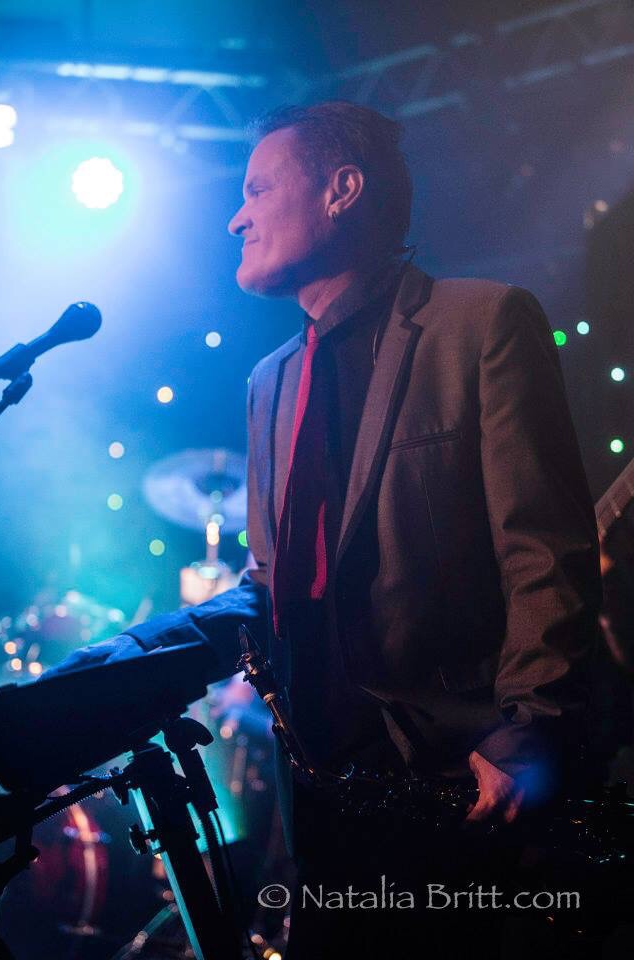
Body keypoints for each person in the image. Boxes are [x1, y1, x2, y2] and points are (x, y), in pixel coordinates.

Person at [48, 102, 602, 957]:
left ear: (342, 190)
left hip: (468, 781)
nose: (236, 218)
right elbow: (271, 588)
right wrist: (100, 675)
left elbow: (544, 550)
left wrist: (528, 724)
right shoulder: (269, 380)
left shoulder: (483, 322)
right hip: (325, 795)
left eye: (257, 190)